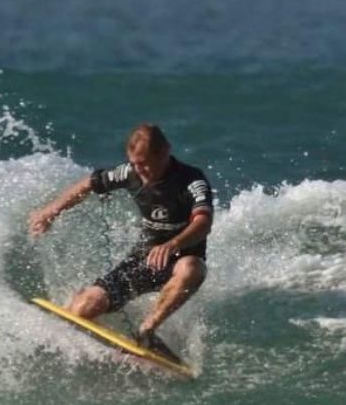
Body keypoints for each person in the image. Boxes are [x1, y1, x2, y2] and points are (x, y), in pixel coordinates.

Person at [28, 123, 213, 360]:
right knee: (81, 309)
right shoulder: (131, 173)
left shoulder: (192, 180)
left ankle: (147, 330)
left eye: (145, 163)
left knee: (192, 268)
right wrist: (50, 212)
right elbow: (88, 184)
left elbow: (203, 223)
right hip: (145, 258)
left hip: (180, 258)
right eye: (135, 163)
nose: (140, 170)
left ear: (164, 152)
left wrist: (171, 245)